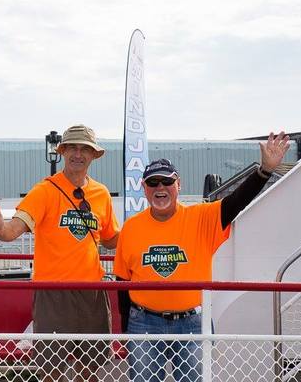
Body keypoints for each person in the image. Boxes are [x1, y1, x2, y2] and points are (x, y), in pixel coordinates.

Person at [114, 131, 290, 382]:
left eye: (166, 181)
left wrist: (264, 171)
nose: (160, 188)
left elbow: (236, 201)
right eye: (153, 183)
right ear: (144, 188)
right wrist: (124, 332)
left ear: (179, 185)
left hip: (192, 323)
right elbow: (122, 281)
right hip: (144, 324)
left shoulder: (201, 218)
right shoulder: (131, 227)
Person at [0, 124, 119, 382]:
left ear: (94, 155)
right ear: (62, 151)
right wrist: (0, 229)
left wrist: (145, 231)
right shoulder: (45, 190)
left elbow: (111, 240)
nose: (77, 153)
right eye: (72, 147)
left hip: (92, 291)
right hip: (53, 292)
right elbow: (13, 230)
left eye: (84, 148)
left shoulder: (101, 193)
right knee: (51, 370)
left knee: (91, 369)